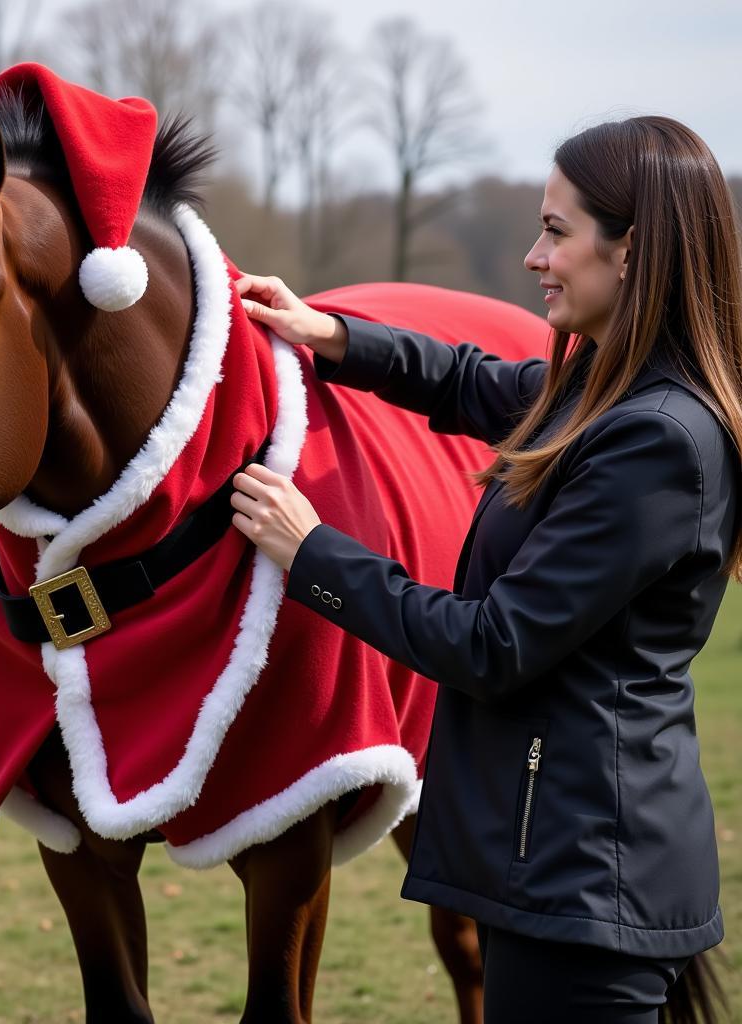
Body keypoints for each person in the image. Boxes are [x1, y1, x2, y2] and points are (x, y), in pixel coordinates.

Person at [229, 115, 741, 1023]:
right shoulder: (599, 391)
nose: (535, 257)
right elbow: (470, 381)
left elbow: (494, 644)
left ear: (632, 252)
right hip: (558, 865)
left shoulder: (656, 440)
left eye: (556, 230)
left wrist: (313, 552)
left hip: (588, 889)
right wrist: (330, 334)